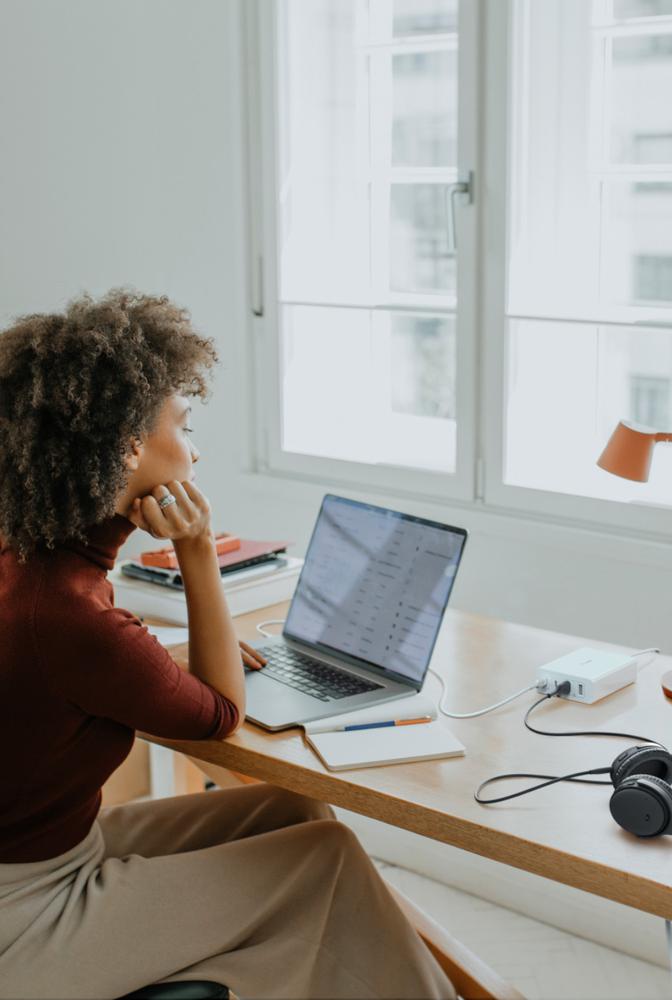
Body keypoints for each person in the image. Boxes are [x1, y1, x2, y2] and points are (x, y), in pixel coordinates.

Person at [0, 290, 456, 1000]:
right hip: (26, 916)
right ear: (129, 446)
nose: (196, 448)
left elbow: (70, 673)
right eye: (183, 424)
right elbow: (218, 713)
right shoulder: (67, 614)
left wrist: (151, 660)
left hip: (51, 856)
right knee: (324, 860)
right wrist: (198, 547)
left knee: (293, 813)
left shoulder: (34, 559)